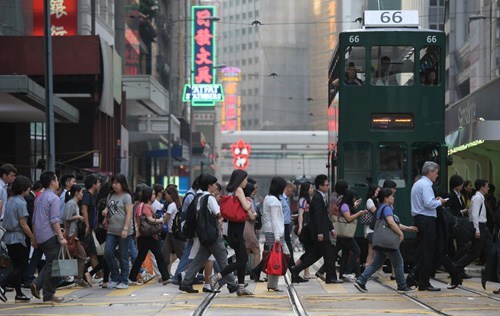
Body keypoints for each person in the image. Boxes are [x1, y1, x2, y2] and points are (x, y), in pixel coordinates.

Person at [179, 173, 239, 294]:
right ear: (209, 185)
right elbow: (218, 214)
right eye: (214, 185)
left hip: (203, 235)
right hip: (213, 235)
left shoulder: (198, 197)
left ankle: (186, 283)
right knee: (222, 258)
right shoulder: (210, 198)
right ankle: (232, 284)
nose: (216, 187)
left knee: (199, 260)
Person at [354, 188, 417, 293]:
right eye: (391, 196)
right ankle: (402, 285)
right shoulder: (387, 208)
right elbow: (391, 223)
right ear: (386, 198)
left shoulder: (381, 208)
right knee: (398, 262)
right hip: (388, 242)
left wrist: (408, 228)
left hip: (380, 241)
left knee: (376, 263)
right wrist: (401, 234)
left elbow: (392, 223)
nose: (393, 198)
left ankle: (361, 281)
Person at [209, 169, 255, 296]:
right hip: (236, 231)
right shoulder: (239, 190)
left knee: (242, 259)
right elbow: (246, 207)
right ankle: (217, 277)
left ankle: (240, 287)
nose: (246, 181)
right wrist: (249, 203)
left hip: (234, 229)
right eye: (245, 179)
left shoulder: (232, 191)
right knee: (242, 259)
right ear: (240, 180)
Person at [291, 174, 340, 284]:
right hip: (320, 233)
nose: (328, 186)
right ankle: (331, 277)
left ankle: (296, 270)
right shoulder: (317, 198)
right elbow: (318, 218)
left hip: (322, 231)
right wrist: (320, 233)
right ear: (320, 186)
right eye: (326, 185)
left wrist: (331, 229)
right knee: (329, 254)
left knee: (315, 255)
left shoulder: (321, 197)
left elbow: (324, 216)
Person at [406, 161, 447, 291]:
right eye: (436, 173)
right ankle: (423, 282)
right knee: (427, 252)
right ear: (429, 172)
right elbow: (429, 204)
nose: (437, 176)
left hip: (420, 219)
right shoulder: (426, 185)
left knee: (423, 251)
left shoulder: (417, 184)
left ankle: (415, 277)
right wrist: (440, 202)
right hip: (427, 221)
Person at [31, 171, 67, 303]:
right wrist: (61, 236)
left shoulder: (39, 197)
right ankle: (48, 295)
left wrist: (34, 237)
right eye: (56, 179)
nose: (58, 182)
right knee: (55, 265)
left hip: (41, 236)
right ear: (52, 182)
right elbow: (54, 220)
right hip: (50, 235)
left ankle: (37, 284)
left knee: (50, 263)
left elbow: (34, 220)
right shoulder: (54, 198)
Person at [0, 176, 36, 303]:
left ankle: (19, 294)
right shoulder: (21, 202)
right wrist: (32, 237)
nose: (29, 189)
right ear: (24, 189)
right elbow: (23, 223)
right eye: (28, 187)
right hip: (18, 237)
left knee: (15, 266)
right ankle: (2, 285)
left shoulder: (10, 200)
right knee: (21, 266)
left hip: (8, 238)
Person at [128, 186, 170, 285]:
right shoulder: (146, 206)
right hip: (149, 235)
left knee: (141, 257)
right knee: (158, 255)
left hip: (143, 235)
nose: (154, 196)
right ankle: (165, 277)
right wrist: (160, 220)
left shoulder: (139, 205)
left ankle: (132, 277)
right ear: (148, 195)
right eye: (153, 194)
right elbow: (150, 219)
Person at [455, 180, 493, 280]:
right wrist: (476, 230)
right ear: (481, 187)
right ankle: (456, 267)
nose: (488, 188)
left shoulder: (480, 197)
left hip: (483, 226)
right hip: (479, 226)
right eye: (487, 186)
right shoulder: (477, 198)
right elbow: (474, 214)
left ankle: (492, 272)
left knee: (490, 249)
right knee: (474, 252)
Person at [102, 174, 134, 289]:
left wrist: (125, 228)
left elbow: (129, 214)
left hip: (123, 231)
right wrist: (105, 213)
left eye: (117, 183)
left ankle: (124, 280)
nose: (114, 185)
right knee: (108, 252)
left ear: (122, 184)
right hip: (111, 230)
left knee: (123, 256)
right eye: (113, 183)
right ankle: (115, 277)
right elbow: (109, 207)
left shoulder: (127, 197)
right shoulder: (111, 194)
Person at [261, 176, 290, 291]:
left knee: (276, 256)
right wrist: (277, 236)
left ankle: (272, 283)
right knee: (279, 256)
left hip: (272, 231)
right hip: (275, 232)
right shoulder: (273, 200)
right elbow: (274, 219)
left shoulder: (269, 198)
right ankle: (272, 283)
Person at [62, 184, 90, 288]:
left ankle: (76, 278)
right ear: (76, 193)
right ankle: (67, 278)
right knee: (69, 256)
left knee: (78, 255)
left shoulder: (75, 204)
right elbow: (66, 217)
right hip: (69, 235)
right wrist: (78, 216)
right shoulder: (71, 204)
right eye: (81, 192)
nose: (82, 194)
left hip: (73, 235)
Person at [337, 189, 368, 279]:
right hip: (346, 234)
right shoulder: (345, 206)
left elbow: (349, 213)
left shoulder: (346, 205)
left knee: (345, 253)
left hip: (345, 233)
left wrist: (355, 206)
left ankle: (342, 274)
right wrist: (359, 213)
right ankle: (348, 271)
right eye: (353, 197)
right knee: (357, 251)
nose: (354, 199)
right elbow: (349, 218)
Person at [162, 186, 185, 275]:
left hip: (175, 235)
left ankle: (186, 274)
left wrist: (155, 221)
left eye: (166, 194)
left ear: (171, 195)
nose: (165, 196)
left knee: (181, 255)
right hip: (171, 234)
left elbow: (165, 220)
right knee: (165, 253)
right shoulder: (177, 204)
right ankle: (166, 274)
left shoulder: (171, 206)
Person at [445, 175, 469, 261]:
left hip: (460, 224)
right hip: (455, 224)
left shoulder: (459, 195)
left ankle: (457, 266)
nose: (462, 185)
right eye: (460, 184)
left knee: (462, 246)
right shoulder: (450, 195)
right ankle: (455, 264)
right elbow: (450, 212)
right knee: (462, 246)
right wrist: (462, 211)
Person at [295, 181, 314, 279]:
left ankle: (306, 272)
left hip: (309, 228)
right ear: (306, 189)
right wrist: (301, 227)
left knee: (309, 251)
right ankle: (297, 267)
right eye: (311, 188)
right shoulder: (303, 200)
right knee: (309, 251)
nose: (312, 189)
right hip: (305, 229)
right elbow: (301, 215)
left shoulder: (308, 199)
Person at [243, 178, 260, 276]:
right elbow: (252, 216)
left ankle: (243, 272)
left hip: (243, 227)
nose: (255, 190)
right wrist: (255, 215)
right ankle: (255, 273)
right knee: (256, 250)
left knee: (246, 251)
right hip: (248, 227)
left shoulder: (241, 199)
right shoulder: (248, 200)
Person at [364, 185, 381, 267]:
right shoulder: (370, 201)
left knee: (373, 252)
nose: (378, 193)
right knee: (372, 252)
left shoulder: (376, 200)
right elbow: (376, 212)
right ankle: (367, 268)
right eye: (377, 191)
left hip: (374, 230)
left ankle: (370, 270)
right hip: (370, 230)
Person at [281, 181, 295, 271]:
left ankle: (292, 267)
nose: (292, 193)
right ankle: (292, 267)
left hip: (286, 224)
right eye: (292, 190)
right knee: (287, 247)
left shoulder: (286, 199)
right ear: (288, 188)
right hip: (282, 226)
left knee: (286, 247)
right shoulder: (281, 199)